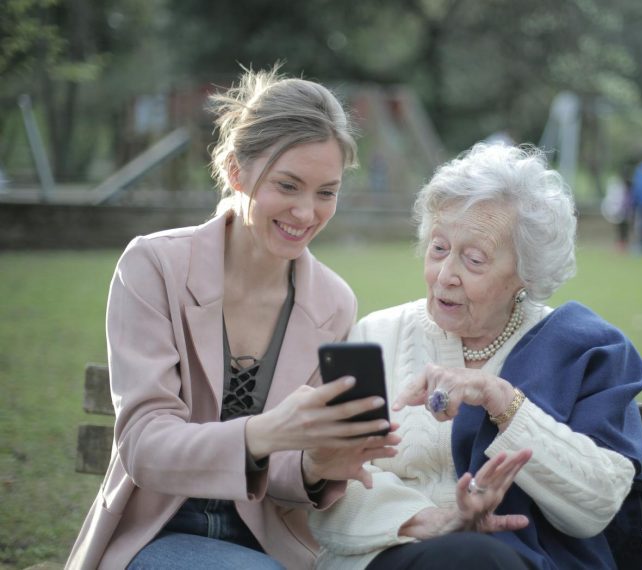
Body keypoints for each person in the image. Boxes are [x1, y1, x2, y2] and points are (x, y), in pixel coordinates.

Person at [66, 66, 400, 569]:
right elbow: (144, 445)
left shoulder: (333, 301)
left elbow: (286, 475)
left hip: (271, 547)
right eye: (287, 185)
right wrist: (265, 432)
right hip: (155, 534)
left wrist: (317, 463)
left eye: (326, 192)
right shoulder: (154, 265)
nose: (306, 213)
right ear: (234, 170)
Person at [309, 143, 642, 569]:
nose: (445, 275)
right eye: (438, 248)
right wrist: (428, 520)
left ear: (526, 273)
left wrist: (503, 401)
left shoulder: (583, 350)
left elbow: (598, 504)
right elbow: (328, 482)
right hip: (387, 556)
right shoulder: (376, 336)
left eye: (474, 259)